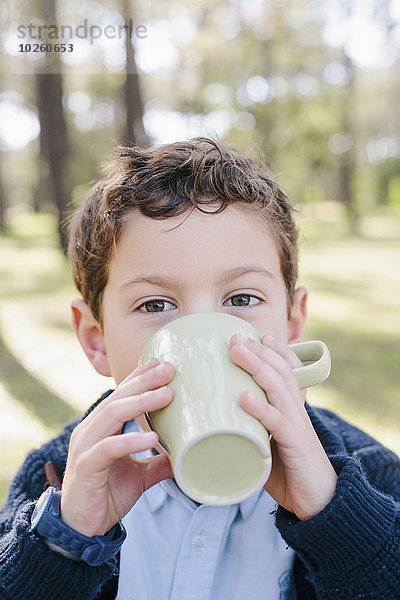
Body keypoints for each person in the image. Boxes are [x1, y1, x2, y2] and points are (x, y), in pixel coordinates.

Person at [0, 138, 399, 600]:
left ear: (291, 327)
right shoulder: (53, 480)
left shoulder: (368, 474)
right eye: (154, 303)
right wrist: (63, 543)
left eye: (241, 299)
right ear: (97, 340)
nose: (203, 334)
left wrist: (336, 517)